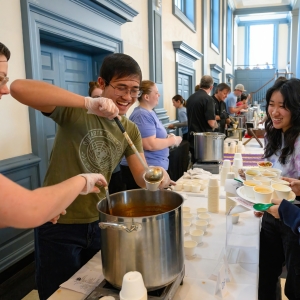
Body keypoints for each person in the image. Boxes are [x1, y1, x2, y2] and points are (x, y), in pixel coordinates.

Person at [10, 53, 173, 300]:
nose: (128, 97)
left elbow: (141, 177)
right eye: (120, 88)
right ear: (102, 83)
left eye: (134, 90)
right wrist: (86, 103)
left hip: (100, 222)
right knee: (57, 293)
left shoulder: (129, 129)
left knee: (92, 291)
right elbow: (19, 88)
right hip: (59, 222)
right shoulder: (75, 112)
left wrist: (158, 176)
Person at [0, 42, 108, 228]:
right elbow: (30, 209)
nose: (5, 89)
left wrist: (48, 205)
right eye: (0, 79)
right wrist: (83, 180)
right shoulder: (74, 113)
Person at [258, 78, 300, 300]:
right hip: (271, 214)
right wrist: (260, 199)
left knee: (294, 285)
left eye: (283, 106)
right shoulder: (272, 133)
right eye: (271, 104)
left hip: (294, 218)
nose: (274, 111)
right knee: (266, 274)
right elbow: (269, 172)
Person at [120, 80, 182, 190]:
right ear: (146, 97)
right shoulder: (141, 114)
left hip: (154, 168)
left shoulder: (150, 112)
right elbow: (149, 144)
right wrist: (173, 140)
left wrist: (167, 137)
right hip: (146, 170)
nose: (159, 95)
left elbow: (154, 136)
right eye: (156, 93)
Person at [89, 81, 125, 194]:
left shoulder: (123, 124)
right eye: (96, 98)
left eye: (104, 98)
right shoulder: (84, 120)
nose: (102, 104)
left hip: (114, 174)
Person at [186, 75, 216, 163]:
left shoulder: (190, 98)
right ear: (211, 87)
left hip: (191, 138)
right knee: (204, 167)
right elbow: (211, 122)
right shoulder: (208, 99)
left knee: (195, 165)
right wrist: (216, 125)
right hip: (203, 140)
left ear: (200, 85)